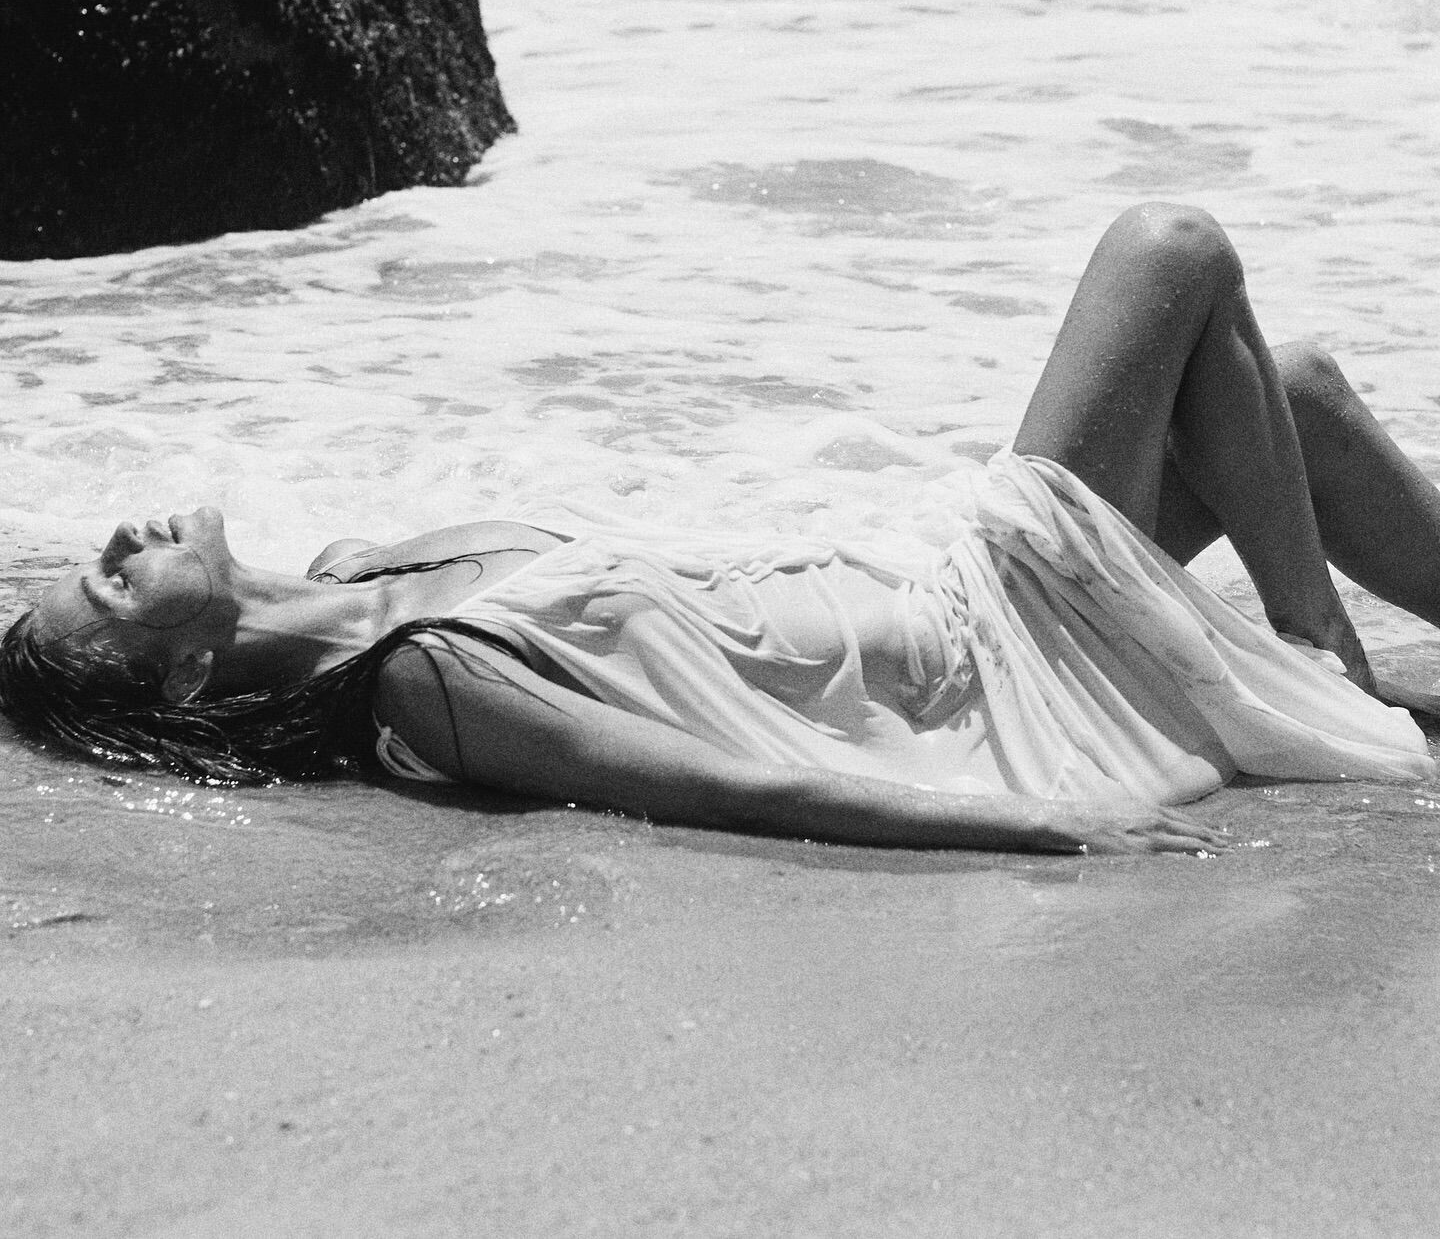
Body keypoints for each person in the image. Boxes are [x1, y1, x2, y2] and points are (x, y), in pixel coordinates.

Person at [4, 203, 1438, 858]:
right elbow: (718, 788)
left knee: (1293, 398)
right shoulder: (421, 680)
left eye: (99, 557)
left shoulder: (369, 567)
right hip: (976, 662)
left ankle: (1319, 644)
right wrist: (1029, 824)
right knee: (1167, 252)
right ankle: (1323, 648)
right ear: (184, 676)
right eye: (112, 587)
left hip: (918, 575)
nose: (119, 539)